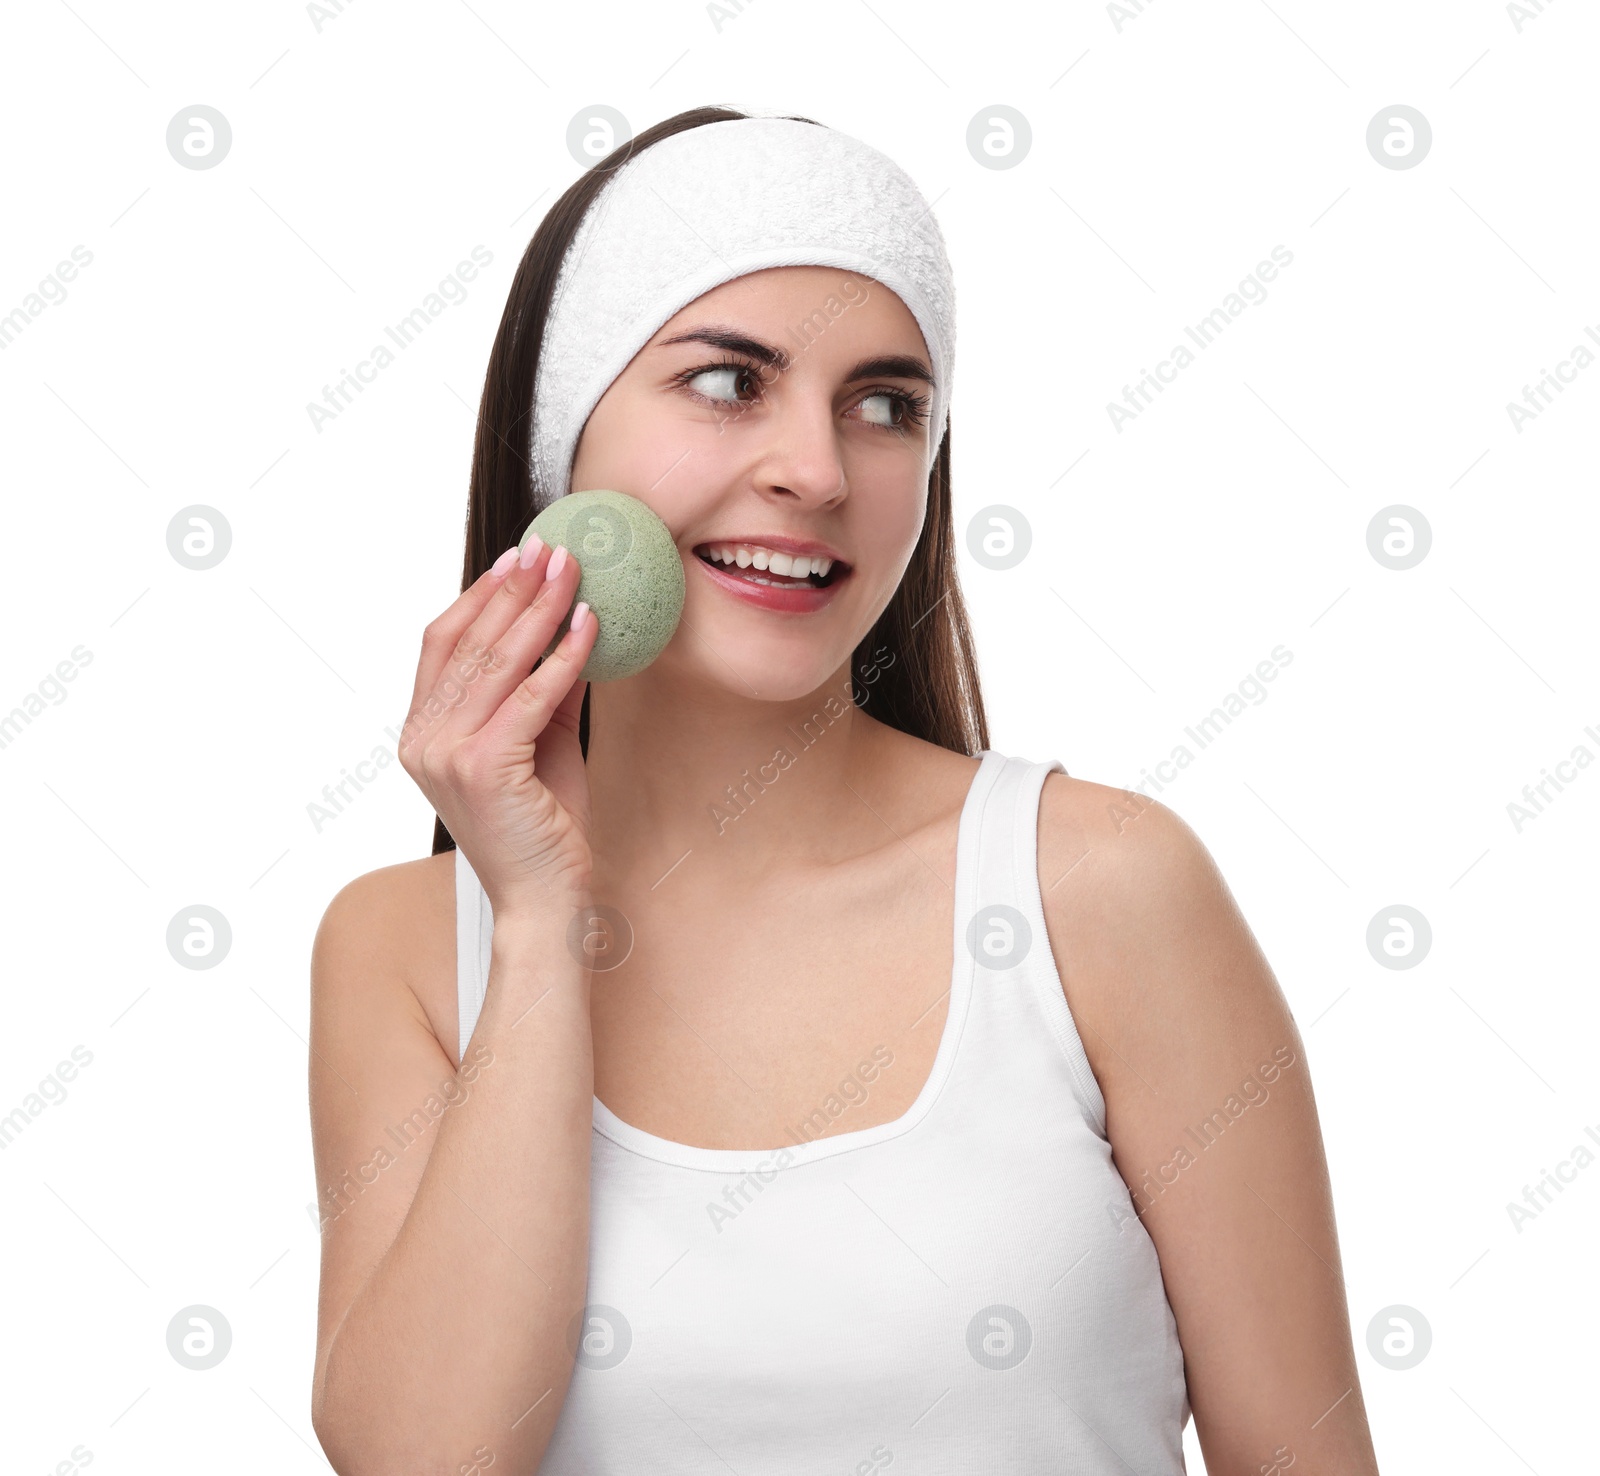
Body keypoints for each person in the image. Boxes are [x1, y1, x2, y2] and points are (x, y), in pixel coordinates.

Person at [307, 106, 1381, 1475]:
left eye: (886, 406)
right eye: (724, 383)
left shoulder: (1099, 889)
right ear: (559, 449)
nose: (817, 470)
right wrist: (534, 923)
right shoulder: (402, 950)